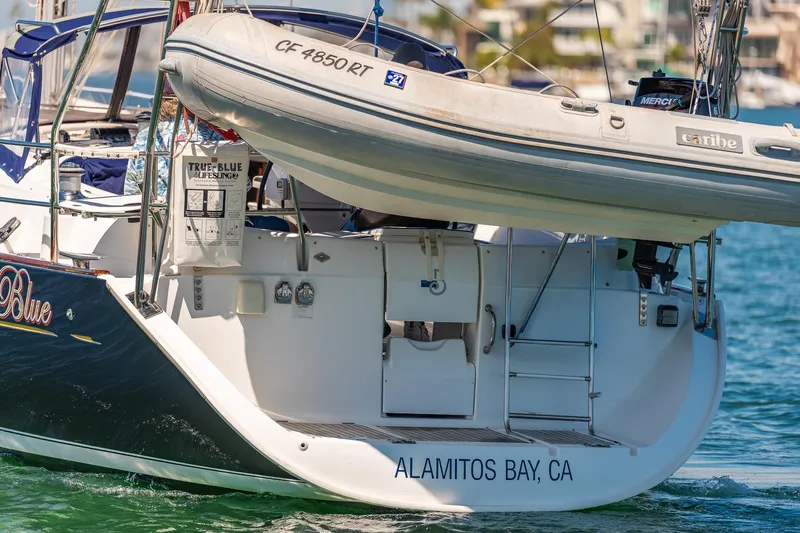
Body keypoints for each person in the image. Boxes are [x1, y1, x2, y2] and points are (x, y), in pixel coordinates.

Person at [124, 85, 224, 199]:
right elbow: (240, 183)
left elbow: (130, 188)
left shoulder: (145, 136)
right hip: (202, 210)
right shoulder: (212, 135)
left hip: (154, 212)